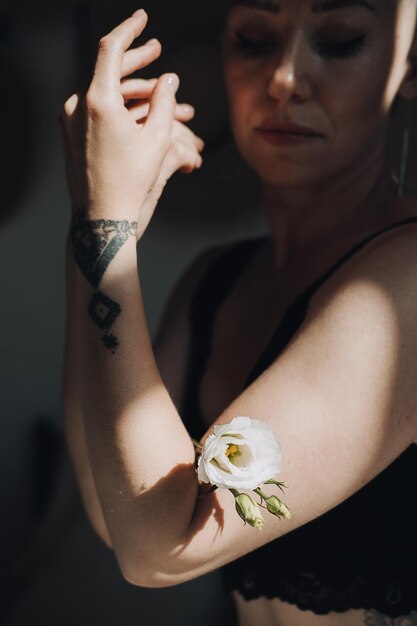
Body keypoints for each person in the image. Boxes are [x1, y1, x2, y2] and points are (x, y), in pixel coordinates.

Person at [60, 1, 417, 624]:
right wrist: (99, 229)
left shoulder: (405, 283)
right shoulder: (215, 282)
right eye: (254, 38)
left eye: (339, 41)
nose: (284, 79)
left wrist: (103, 223)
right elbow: (114, 511)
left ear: (409, 63)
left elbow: (157, 550)